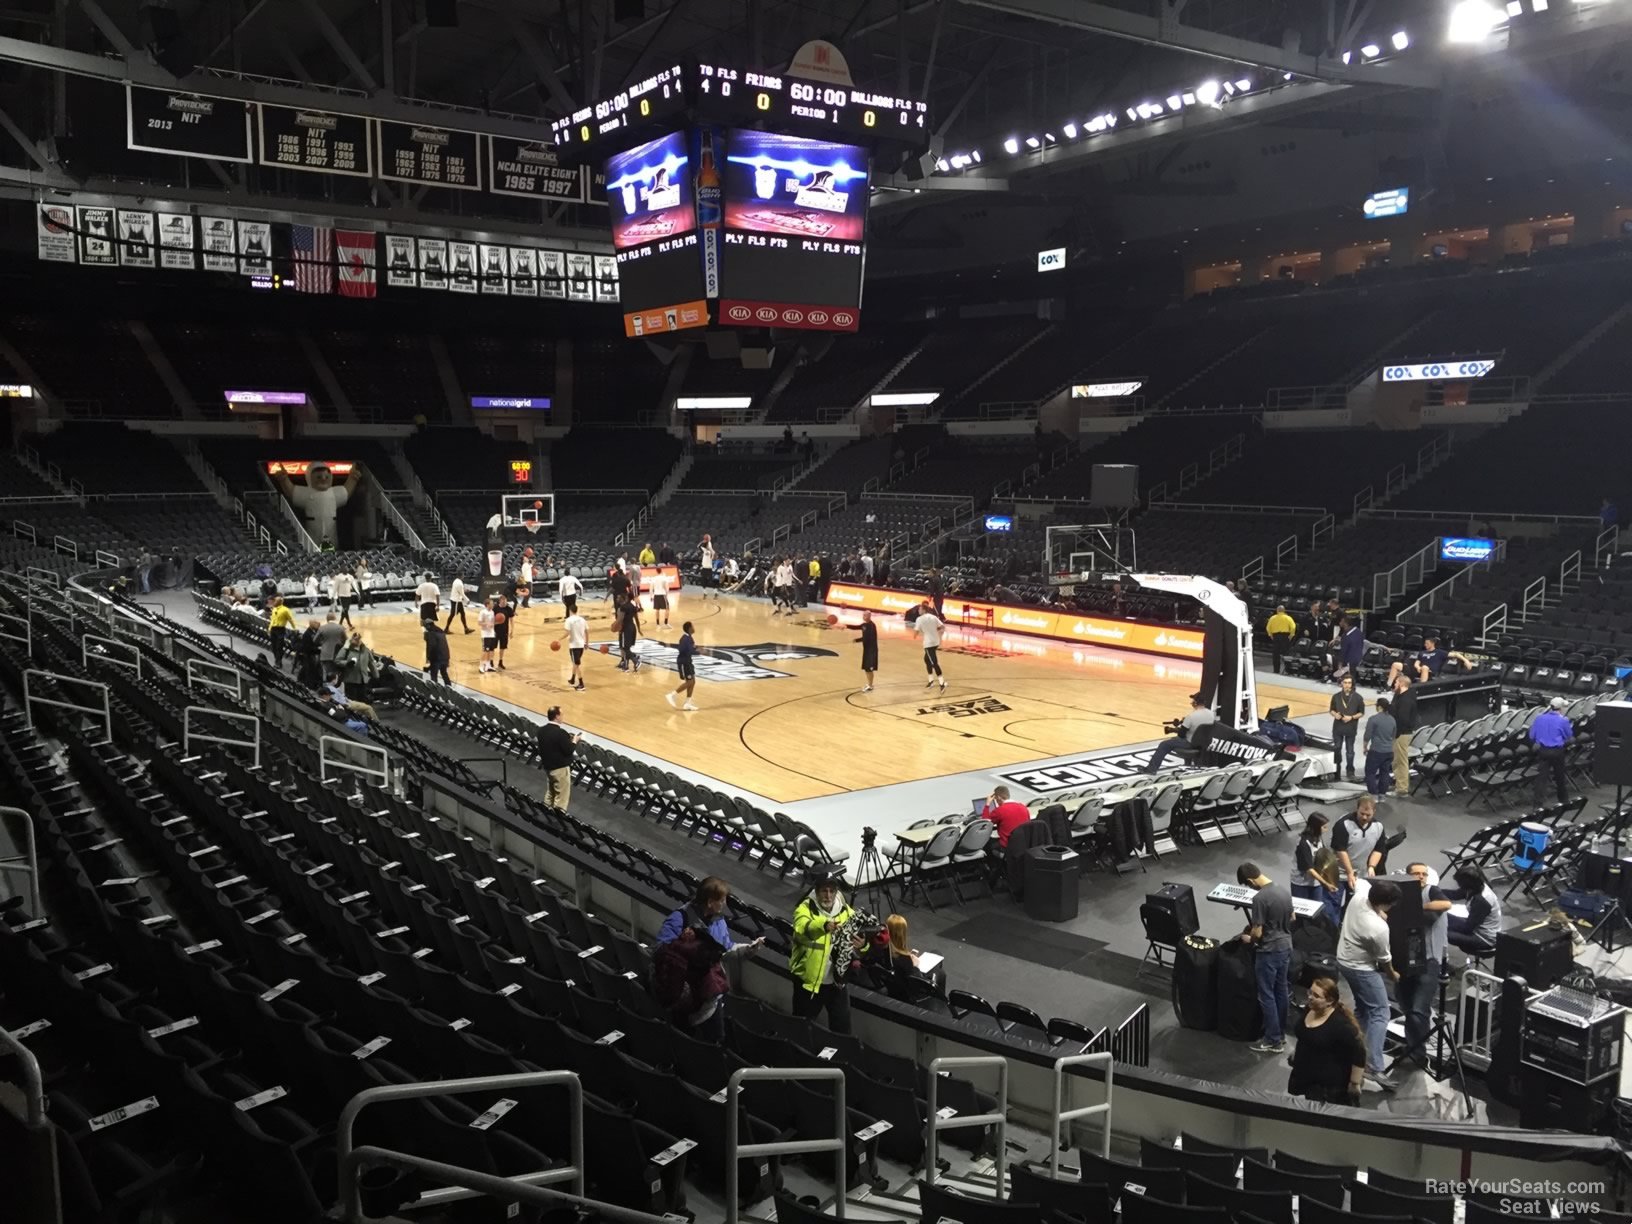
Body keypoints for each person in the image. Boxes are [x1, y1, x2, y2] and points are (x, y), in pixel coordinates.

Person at [1336, 877, 1401, 1091]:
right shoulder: (1378, 928)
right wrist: (1393, 975)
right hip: (1361, 968)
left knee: (1363, 1010)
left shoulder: (1362, 894)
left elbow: (1361, 879)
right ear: (1385, 903)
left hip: (1344, 960)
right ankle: (1373, 1065)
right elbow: (1385, 960)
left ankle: (1352, 1049)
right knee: (1381, 1012)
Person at [789, 873, 862, 1033]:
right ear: (816, 891)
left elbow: (860, 939)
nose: (828, 895)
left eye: (831, 891)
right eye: (824, 891)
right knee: (801, 1027)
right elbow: (802, 927)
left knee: (842, 1029)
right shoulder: (804, 908)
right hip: (808, 983)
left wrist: (863, 945)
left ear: (836, 892)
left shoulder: (846, 912)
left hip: (837, 983)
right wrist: (824, 925)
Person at [1398, 862, 1453, 1066]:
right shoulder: (1401, 894)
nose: (1420, 877)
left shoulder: (1432, 891)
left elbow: (1446, 904)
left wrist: (1417, 907)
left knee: (1418, 1009)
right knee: (1406, 1004)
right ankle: (1413, 1045)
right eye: (1415, 874)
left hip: (1429, 959)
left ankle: (1418, 1053)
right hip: (1407, 957)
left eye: (1424, 874)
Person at [1237, 861, 1294, 1054]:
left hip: (1269, 950)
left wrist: (1248, 939)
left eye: (1247, 884)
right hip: (1286, 946)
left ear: (1251, 880)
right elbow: (1292, 917)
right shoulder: (1283, 890)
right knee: (1281, 990)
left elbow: (1258, 932)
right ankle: (1281, 1034)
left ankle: (1272, 1039)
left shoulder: (1260, 898)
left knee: (1266, 994)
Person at [1287, 976, 1368, 1105]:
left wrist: (1355, 1083)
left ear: (1329, 1001)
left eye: (1316, 995)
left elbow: (1359, 1053)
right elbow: (1306, 1035)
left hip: (1328, 1086)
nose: (1310, 997)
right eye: (1310, 992)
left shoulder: (1341, 1025)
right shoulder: (1311, 1008)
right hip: (1308, 1074)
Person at [1144, 693, 1216, 773]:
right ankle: (1187, 765)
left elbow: (1181, 735)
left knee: (1164, 744)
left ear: (1195, 703)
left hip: (1190, 743)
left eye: (1193, 700)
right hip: (1204, 743)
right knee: (1176, 740)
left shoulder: (1191, 716)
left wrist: (1184, 724)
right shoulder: (1211, 714)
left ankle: (1151, 769)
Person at [1443, 864, 1502, 956]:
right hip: (1476, 927)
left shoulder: (1481, 901)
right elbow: (1454, 894)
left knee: (1441, 931)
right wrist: (1433, 891)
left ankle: (1440, 961)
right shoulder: (1476, 886)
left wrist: (1444, 925)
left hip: (1485, 939)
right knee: (1443, 917)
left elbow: (1467, 928)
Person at [1331, 796, 1385, 893]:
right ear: (1357, 809)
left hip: (1361, 874)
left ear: (1374, 812)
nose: (1364, 817)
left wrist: (1371, 867)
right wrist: (1350, 872)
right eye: (1362, 813)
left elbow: (1378, 849)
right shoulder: (1343, 824)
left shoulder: (1378, 827)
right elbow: (1340, 850)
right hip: (1339, 874)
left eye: (1368, 815)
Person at [1530, 695, 1574, 804]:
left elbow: (1532, 736)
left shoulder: (1539, 718)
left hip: (1543, 750)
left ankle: (1537, 803)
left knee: (1541, 778)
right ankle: (1564, 801)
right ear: (1561, 708)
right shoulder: (1563, 720)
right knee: (1560, 776)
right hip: (1557, 751)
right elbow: (1569, 736)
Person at [536, 705, 579, 810]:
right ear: (557, 716)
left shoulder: (541, 731)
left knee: (550, 793)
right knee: (561, 798)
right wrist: (574, 741)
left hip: (548, 767)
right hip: (560, 769)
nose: (563, 716)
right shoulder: (560, 733)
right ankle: (558, 821)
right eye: (561, 714)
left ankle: (546, 813)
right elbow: (568, 750)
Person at [1328, 674, 1363, 781]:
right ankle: (1336, 772)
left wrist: (1351, 717)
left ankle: (1350, 772)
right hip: (1338, 728)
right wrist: (1335, 715)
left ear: (1352, 684)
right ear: (1342, 684)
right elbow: (1331, 709)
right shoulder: (1336, 696)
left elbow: (1361, 712)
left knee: (1350, 751)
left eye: (1349, 683)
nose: (1347, 685)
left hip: (1351, 728)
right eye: (1345, 683)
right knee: (1337, 749)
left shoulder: (1358, 697)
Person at [1290, 813, 1329, 902]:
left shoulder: (1318, 839)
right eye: (1324, 827)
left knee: (1316, 909)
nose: (1326, 830)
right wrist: (1325, 883)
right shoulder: (1303, 843)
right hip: (1301, 883)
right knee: (1302, 911)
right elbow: (1309, 869)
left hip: (1316, 882)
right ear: (1316, 827)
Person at [1389, 674, 1417, 798]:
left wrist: (1396, 733)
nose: (1394, 685)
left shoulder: (1405, 700)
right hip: (1400, 733)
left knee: (1401, 761)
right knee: (1397, 760)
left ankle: (1401, 789)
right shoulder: (1401, 696)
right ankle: (1399, 783)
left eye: (1395, 683)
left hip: (1401, 734)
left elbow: (1403, 719)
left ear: (1401, 684)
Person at [1362, 697, 1396, 798]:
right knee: (1385, 773)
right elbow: (1393, 736)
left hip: (1376, 751)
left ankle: (1373, 795)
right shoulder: (1392, 719)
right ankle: (1382, 795)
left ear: (1379, 707)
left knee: (1370, 772)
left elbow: (1367, 735)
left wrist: (1365, 747)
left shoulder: (1373, 719)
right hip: (1389, 751)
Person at [334, 630, 376, 701]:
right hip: (350, 679)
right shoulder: (345, 649)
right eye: (356, 639)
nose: (358, 641)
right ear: (352, 639)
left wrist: (375, 674)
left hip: (363, 680)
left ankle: (360, 710)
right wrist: (347, 663)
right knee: (351, 699)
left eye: (359, 639)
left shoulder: (365, 649)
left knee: (362, 699)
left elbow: (371, 662)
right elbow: (337, 661)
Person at [914, 601, 946, 690]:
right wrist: (935, 630)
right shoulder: (933, 617)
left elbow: (916, 632)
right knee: (926, 660)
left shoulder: (919, 619)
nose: (918, 611)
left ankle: (942, 683)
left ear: (924, 610)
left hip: (928, 644)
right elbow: (942, 626)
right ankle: (931, 681)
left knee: (934, 662)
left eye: (919, 609)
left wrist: (915, 635)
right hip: (936, 641)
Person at [666, 621, 698, 711]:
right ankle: (672, 695)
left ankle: (688, 703)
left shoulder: (689, 638)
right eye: (693, 626)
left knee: (693, 681)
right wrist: (697, 651)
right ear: (689, 628)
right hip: (684, 662)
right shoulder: (684, 639)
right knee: (690, 682)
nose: (694, 627)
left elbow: (692, 648)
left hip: (688, 662)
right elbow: (685, 650)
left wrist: (695, 648)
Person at [562, 608, 589, 691]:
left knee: (576, 664)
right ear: (577, 610)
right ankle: (572, 679)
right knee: (575, 663)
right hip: (581, 645)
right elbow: (587, 632)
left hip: (574, 645)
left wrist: (559, 639)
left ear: (570, 611)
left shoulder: (569, 620)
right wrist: (586, 643)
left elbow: (567, 633)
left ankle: (581, 684)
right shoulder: (582, 619)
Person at [1265, 604, 1296, 675]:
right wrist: (1291, 636)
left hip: (1276, 636)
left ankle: (1276, 670)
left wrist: (1271, 635)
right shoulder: (1288, 618)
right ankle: (1288, 670)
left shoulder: (1273, 618)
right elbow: (1293, 627)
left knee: (1276, 654)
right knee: (1286, 653)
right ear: (1284, 611)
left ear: (1277, 610)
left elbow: (1268, 627)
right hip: (1285, 636)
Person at [267, 596, 296, 670]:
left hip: (280, 629)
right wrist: (269, 629)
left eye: (275, 601)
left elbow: (290, 619)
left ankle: (278, 662)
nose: (274, 602)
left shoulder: (285, 610)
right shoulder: (274, 609)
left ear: (280, 602)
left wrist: (294, 628)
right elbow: (272, 620)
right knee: (274, 647)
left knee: (279, 647)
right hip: (273, 629)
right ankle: (277, 659)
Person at [317, 611, 347, 681]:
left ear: (327, 619)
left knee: (325, 673)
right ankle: (335, 689)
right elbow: (345, 639)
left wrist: (323, 643)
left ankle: (326, 689)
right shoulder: (341, 627)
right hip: (337, 654)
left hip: (325, 654)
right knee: (336, 673)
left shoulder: (322, 628)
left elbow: (315, 640)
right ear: (335, 619)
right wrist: (341, 645)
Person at [294, 619, 324, 689]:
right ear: (313, 625)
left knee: (311, 670)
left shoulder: (314, 632)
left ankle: (311, 683)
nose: (319, 626)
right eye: (317, 624)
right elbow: (307, 647)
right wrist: (318, 649)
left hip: (313, 654)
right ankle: (310, 685)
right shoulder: (307, 634)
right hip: (309, 655)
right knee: (310, 671)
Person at [855, 609, 879, 692]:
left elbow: (867, 638)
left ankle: (870, 685)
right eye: (863, 615)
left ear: (869, 616)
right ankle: (870, 684)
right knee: (866, 668)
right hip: (867, 650)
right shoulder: (864, 625)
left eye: (865, 615)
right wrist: (845, 625)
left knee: (869, 668)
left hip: (871, 651)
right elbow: (856, 627)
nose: (863, 616)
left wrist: (857, 640)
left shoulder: (871, 626)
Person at [423, 618, 451, 686]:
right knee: (444, 673)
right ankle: (449, 689)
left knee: (434, 675)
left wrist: (428, 658)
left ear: (428, 626)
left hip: (437, 658)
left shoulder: (431, 633)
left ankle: (434, 691)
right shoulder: (441, 631)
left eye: (425, 626)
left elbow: (431, 646)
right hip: (446, 656)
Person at [617, 598, 642, 672]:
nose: (617, 599)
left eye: (618, 597)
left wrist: (618, 628)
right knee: (626, 647)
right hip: (632, 628)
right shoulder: (632, 606)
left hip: (625, 629)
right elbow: (637, 618)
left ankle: (635, 660)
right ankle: (626, 666)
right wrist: (639, 629)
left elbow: (620, 620)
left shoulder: (623, 607)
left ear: (623, 597)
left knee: (624, 648)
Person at [492, 593, 512, 670]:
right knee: (492, 647)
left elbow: (512, 619)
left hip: (504, 631)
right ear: (500, 601)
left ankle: (500, 662)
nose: (504, 602)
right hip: (495, 631)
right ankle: (491, 661)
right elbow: (491, 619)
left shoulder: (508, 609)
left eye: (505, 601)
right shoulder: (495, 608)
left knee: (502, 647)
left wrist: (512, 630)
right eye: (503, 601)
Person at [477, 598, 498, 674]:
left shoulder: (492, 612)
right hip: (485, 634)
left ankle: (488, 665)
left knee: (490, 651)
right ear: (487, 604)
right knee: (485, 651)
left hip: (491, 633)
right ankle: (481, 666)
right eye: (491, 603)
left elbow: (492, 622)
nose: (493, 604)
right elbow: (479, 623)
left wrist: (494, 625)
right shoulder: (483, 612)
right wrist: (486, 624)